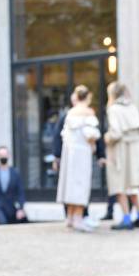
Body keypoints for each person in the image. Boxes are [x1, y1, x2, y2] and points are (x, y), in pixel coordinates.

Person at [53, 91, 104, 228]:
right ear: (87, 97)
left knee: (71, 184)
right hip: (82, 152)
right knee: (81, 184)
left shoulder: (70, 112)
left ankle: (69, 217)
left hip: (69, 152)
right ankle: (78, 218)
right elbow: (92, 134)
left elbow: (62, 135)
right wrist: (94, 147)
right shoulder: (88, 112)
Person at [104, 81, 139, 230]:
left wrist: (106, 137)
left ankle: (126, 218)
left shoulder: (113, 109)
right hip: (135, 149)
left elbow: (115, 133)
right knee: (133, 185)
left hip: (120, 151)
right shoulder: (133, 107)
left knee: (119, 184)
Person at [0, 146, 28, 225]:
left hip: (11, 207)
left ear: (9, 155)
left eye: (5, 154)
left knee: (24, 220)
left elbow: (20, 192)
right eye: (1, 155)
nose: (3, 157)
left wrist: (20, 208)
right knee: (3, 222)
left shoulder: (15, 173)